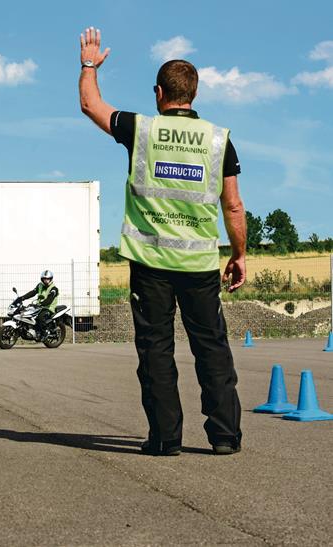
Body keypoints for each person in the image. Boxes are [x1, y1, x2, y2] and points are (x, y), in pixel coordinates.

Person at [77, 28, 246, 456]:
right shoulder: (217, 139)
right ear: (194, 93)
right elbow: (233, 207)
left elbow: (90, 105)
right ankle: (225, 436)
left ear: (159, 92)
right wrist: (239, 254)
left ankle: (166, 438)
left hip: (150, 264)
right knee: (212, 349)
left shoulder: (141, 130)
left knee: (156, 352)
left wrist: (89, 65)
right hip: (200, 266)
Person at [15, 270, 60, 336]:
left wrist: (41, 304)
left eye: (47, 279)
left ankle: (44, 333)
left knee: (40, 318)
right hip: (39, 307)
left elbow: (49, 300)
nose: (46, 280)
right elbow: (32, 293)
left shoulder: (54, 289)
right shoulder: (40, 285)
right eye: (44, 279)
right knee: (27, 313)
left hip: (49, 308)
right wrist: (22, 298)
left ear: (50, 279)